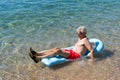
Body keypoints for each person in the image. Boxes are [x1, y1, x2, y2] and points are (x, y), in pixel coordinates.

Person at [29, 26, 95, 63]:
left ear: (83, 33)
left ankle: (38, 58)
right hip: (72, 52)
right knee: (56, 48)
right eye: (77, 33)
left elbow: (91, 50)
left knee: (58, 51)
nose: (77, 34)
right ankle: (37, 54)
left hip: (76, 56)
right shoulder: (81, 38)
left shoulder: (85, 40)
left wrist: (92, 61)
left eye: (78, 33)